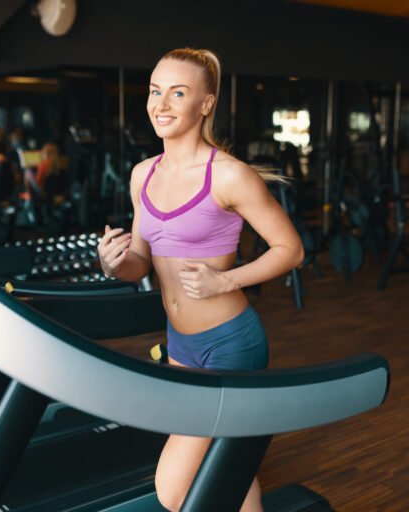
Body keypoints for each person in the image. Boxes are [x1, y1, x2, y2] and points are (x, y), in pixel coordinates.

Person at [97, 48, 304, 512]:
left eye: (178, 93)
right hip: (182, 345)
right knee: (227, 468)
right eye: (155, 92)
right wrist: (114, 264)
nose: (161, 104)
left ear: (205, 104)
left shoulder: (229, 176)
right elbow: (141, 262)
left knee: (173, 488)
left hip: (231, 343)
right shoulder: (141, 175)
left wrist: (226, 281)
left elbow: (291, 250)